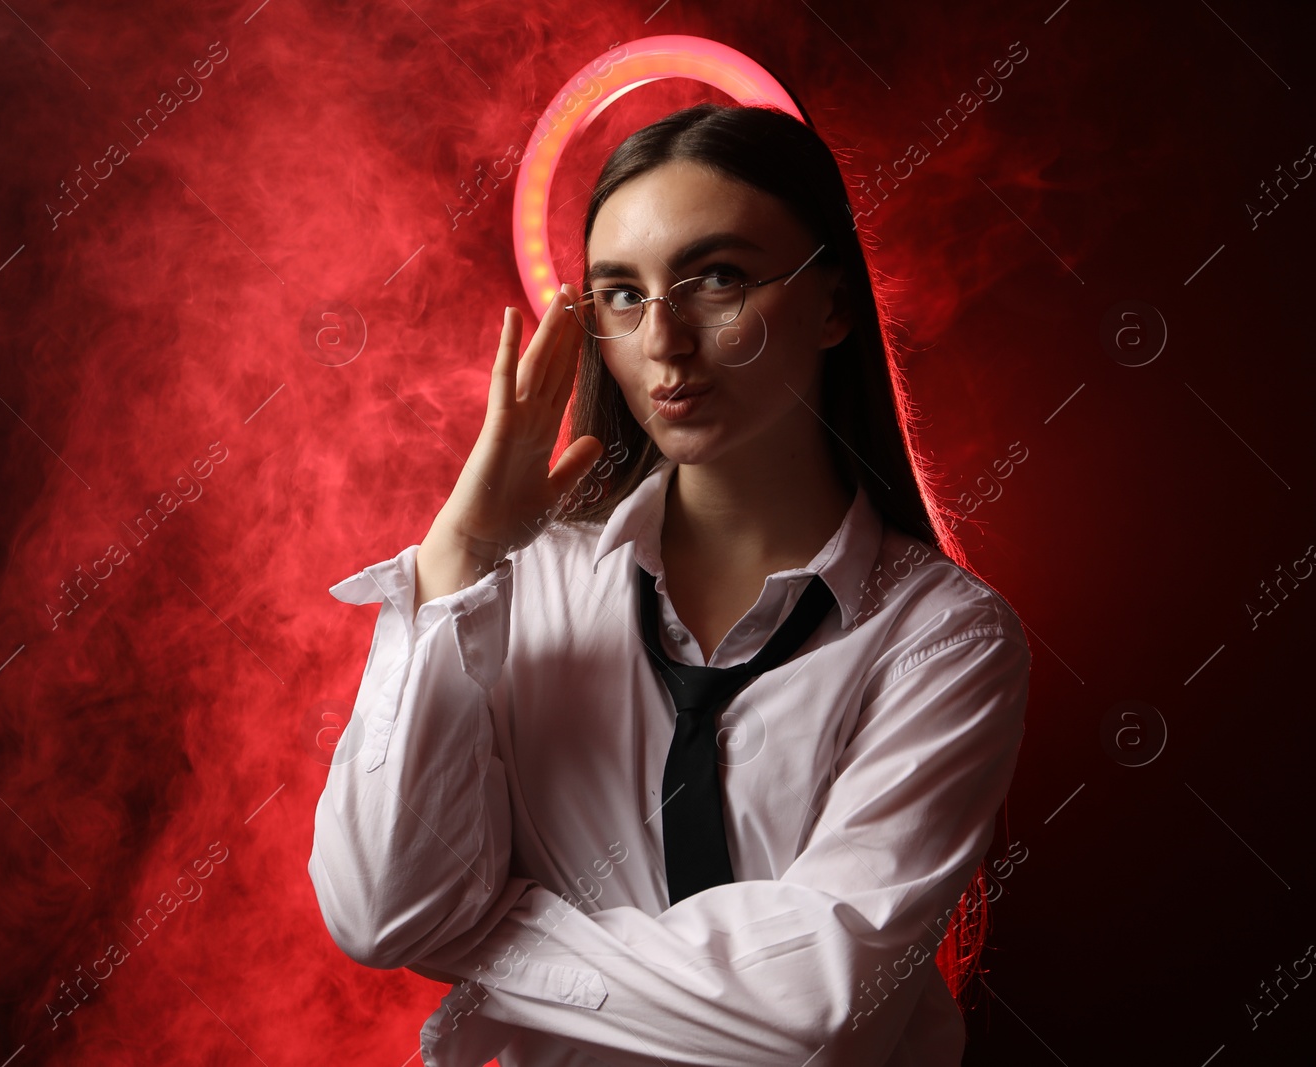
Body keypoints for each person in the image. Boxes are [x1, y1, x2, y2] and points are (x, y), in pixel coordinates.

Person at [309, 102, 1031, 1067]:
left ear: (831, 302)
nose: (664, 343)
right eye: (621, 294)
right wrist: (458, 553)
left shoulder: (945, 637)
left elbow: (810, 1013)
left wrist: (479, 939)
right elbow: (376, 908)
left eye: (718, 278)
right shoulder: (518, 588)